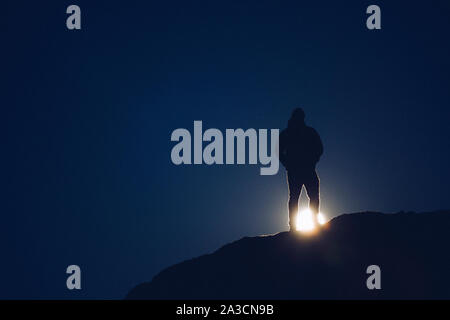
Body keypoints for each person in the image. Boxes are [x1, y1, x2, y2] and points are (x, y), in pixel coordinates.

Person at [279, 108, 323, 231]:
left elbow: (319, 148)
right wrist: (286, 163)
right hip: (295, 170)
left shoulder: (309, 132)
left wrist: (314, 160)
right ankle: (293, 226)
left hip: (307, 169)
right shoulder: (287, 133)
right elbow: (278, 151)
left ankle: (313, 222)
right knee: (295, 197)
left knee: (311, 196)